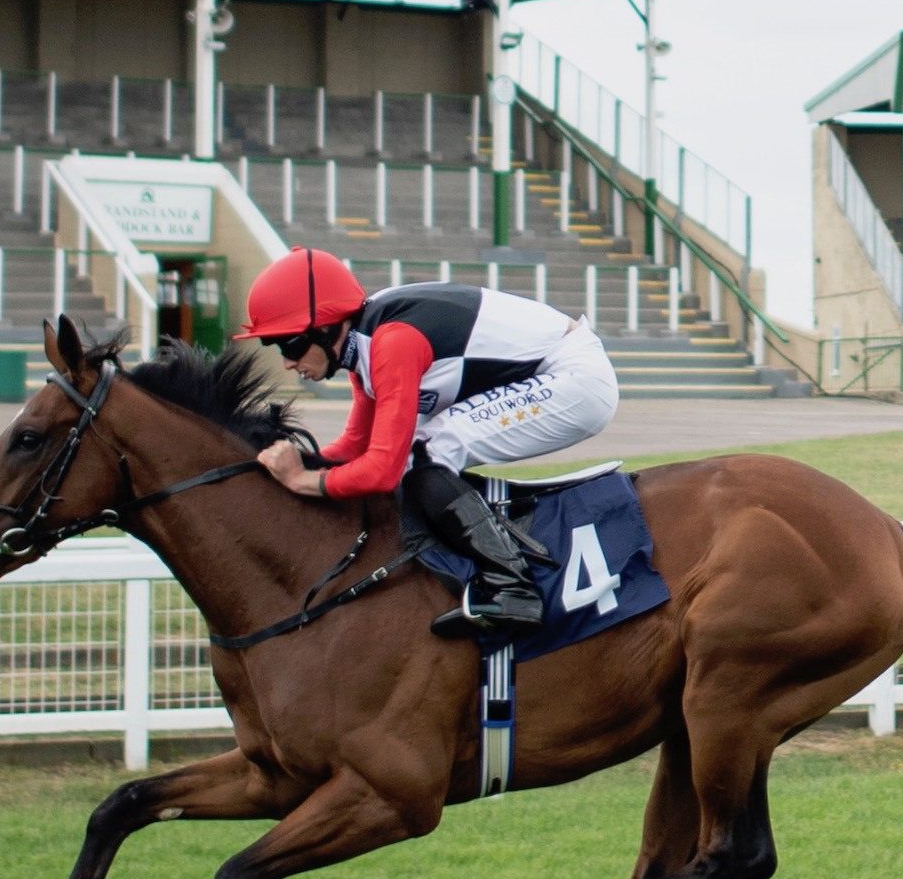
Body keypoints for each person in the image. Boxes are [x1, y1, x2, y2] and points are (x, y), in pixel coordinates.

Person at [238, 246, 619, 639]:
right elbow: (355, 447)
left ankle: (513, 588)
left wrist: (304, 480)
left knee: (427, 451)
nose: (286, 362)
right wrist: (291, 465)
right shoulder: (363, 347)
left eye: (289, 345)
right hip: (556, 371)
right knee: (423, 450)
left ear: (324, 327)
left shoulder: (392, 342)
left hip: (577, 379)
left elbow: (382, 471)